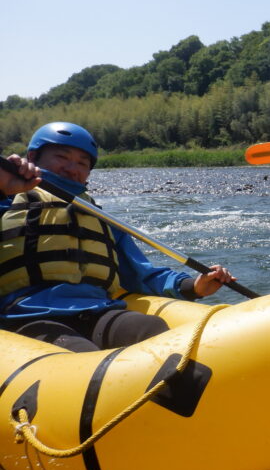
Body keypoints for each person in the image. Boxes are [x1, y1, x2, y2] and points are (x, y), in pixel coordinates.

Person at [0, 122, 236, 352]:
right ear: (32, 157)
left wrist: (193, 286)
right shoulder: (9, 200)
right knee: (81, 353)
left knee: (153, 330)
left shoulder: (100, 218)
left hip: (97, 311)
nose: (73, 168)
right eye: (62, 157)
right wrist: (5, 188)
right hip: (29, 313)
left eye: (83, 163)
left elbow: (142, 273)